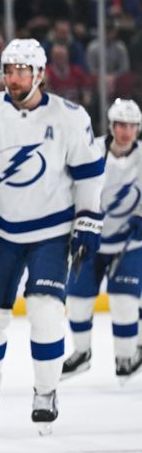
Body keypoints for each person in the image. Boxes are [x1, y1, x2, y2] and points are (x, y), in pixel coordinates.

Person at [0, 38, 105, 436]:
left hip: (52, 232)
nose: (13, 77)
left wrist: (88, 219)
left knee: (45, 310)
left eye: (22, 70)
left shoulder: (71, 117)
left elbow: (89, 175)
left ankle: (46, 392)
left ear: (40, 74)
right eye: (8, 69)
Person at [62, 98, 142, 384]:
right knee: (78, 299)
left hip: (130, 243)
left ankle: (127, 356)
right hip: (91, 239)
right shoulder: (93, 150)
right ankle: (81, 353)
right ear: (111, 125)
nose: (126, 131)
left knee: (123, 299)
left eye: (132, 126)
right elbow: (72, 186)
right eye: (121, 125)